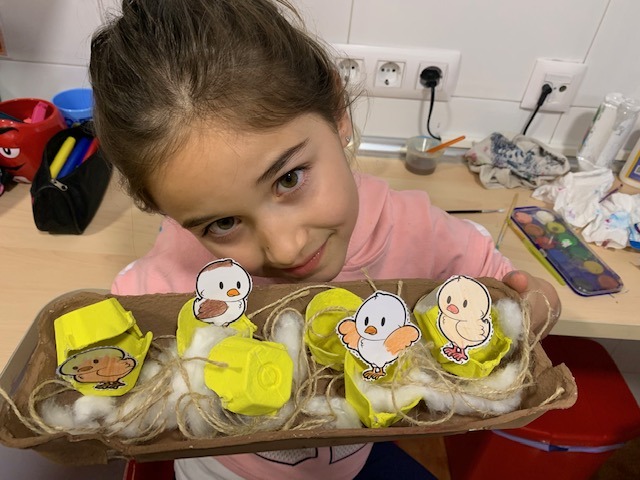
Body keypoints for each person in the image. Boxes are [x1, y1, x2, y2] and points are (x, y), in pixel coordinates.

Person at [89, 0, 561, 479]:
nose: (286, 249)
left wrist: (535, 306)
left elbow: (512, 292)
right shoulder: (176, 272)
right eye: (223, 224)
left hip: (353, 460)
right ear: (169, 213)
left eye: (289, 179)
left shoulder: (417, 230)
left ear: (337, 112)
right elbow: (121, 335)